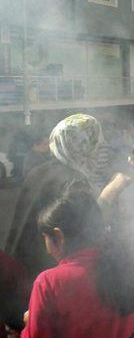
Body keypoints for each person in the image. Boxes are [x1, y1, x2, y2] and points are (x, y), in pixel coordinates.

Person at [20, 189, 134, 338]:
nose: (46, 248)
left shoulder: (48, 282)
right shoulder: (125, 267)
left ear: (58, 236)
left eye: (45, 238)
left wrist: (30, 324)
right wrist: (112, 331)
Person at [6, 114, 113, 279]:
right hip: (49, 271)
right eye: (94, 142)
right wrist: (111, 192)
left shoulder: (39, 171)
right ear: (83, 146)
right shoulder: (75, 181)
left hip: (19, 261)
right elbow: (88, 229)